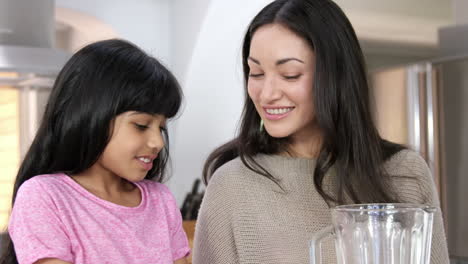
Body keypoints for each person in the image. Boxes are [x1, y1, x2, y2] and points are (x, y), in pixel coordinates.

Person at [192, 0, 449, 263]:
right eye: (256, 73)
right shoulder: (231, 186)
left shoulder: (404, 173)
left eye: (289, 74)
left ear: (334, 76)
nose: (266, 94)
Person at [0, 39, 190, 264]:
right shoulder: (44, 197)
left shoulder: (160, 200)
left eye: (161, 128)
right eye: (141, 125)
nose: (158, 142)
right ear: (91, 116)